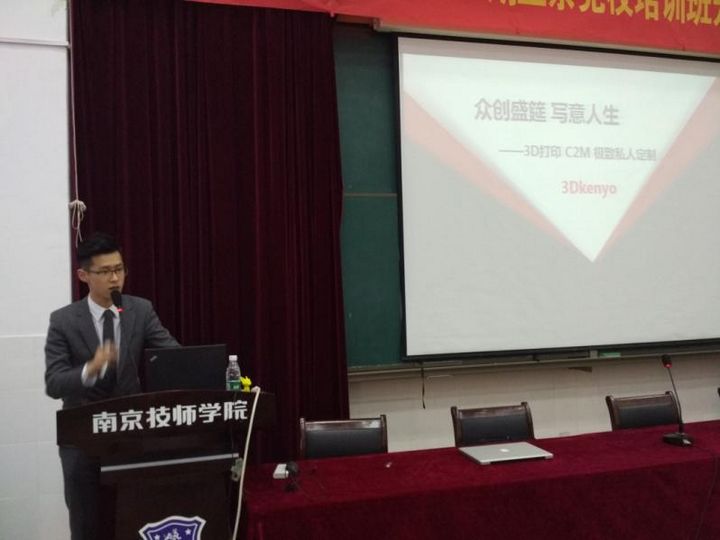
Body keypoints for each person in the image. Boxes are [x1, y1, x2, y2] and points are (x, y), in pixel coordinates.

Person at [45, 232, 179, 540]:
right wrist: (89, 369)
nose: (115, 278)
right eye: (105, 272)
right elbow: (54, 383)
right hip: (82, 439)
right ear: (83, 275)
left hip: (131, 433)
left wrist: (205, 370)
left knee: (136, 519)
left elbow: (173, 355)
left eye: (119, 269)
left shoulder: (140, 310)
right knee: (87, 525)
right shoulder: (64, 321)